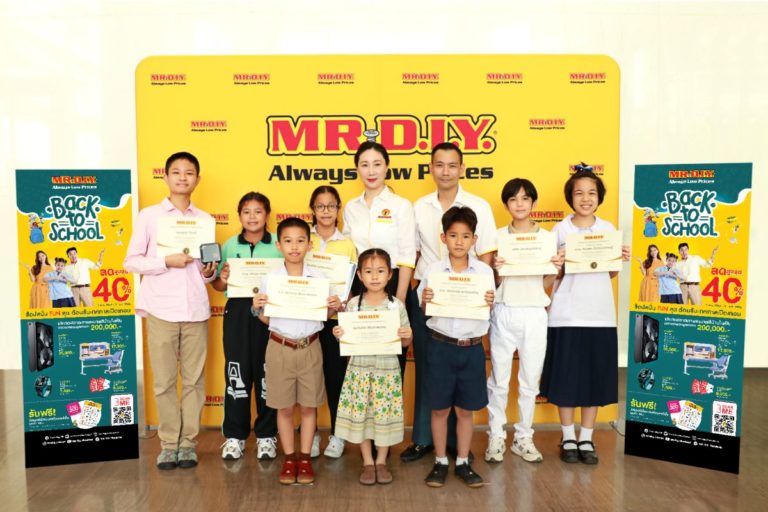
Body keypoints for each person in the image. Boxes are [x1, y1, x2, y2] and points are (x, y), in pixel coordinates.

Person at [123, 151, 217, 470]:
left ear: (197, 179)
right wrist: (166, 261)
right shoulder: (149, 216)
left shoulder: (205, 220)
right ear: (165, 177)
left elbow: (207, 273)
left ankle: (188, 443)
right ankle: (168, 444)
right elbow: (131, 262)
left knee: (194, 382)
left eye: (189, 173)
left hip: (195, 310)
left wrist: (209, 272)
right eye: (176, 172)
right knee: (163, 382)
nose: (182, 177)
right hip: (161, 309)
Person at [403, 142, 497, 463]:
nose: (445, 171)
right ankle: (422, 439)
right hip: (430, 297)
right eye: (439, 165)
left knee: (460, 373)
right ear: (431, 168)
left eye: (452, 165)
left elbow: (486, 255)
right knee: (430, 369)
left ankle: (458, 446)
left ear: (461, 168)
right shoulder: (418, 206)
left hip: (468, 298)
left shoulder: (478, 205)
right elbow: (412, 253)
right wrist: (418, 293)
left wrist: (481, 291)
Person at [539, 168, 629, 465]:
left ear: (599, 197)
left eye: (592, 193)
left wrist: (617, 258)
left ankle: (586, 437)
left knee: (593, 378)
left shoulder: (607, 228)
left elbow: (609, 273)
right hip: (565, 315)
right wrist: (558, 264)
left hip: (600, 315)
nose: (586, 198)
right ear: (570, 197)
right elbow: (550, 276)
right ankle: (567, 435)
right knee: (566, 378)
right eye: (579, 193)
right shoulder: (559, 230)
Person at [252, 217, 342, 485]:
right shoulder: (270, 279)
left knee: (309, 407)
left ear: (309, 245)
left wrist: (334, 307)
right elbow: (266, 318)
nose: (294, 246)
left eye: (300, 241)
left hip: (310, 346)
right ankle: (289, 459)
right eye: (288, 241)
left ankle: (305, 459)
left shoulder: (319, 279)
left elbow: (325, 315)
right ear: (278, 245)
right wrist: (256, 308)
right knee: (284, 408)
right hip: (279, 347)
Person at [485, 178, 563, 464]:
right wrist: (496, 269)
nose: (519, 204)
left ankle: (523, 437)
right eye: (513, 199)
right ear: (506, 204)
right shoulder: (497, 237)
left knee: (530, 380)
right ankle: (496, 436)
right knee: (499, 380)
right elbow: (492, 283)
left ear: (533, 203)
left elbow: (546, 283)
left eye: (525, 198)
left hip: (534, 312)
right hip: (504, 310)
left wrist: (555, 269)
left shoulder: (546, 238)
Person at [418, 207, 494, 488]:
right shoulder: (433, 271)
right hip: (441, 347)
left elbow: (488, 310)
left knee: (465, 410)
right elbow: (424, 309)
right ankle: (440, 461)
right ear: (443, 238)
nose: (459, 241)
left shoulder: (484, 272)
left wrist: (489, 302)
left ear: (474, 239)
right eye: (453, 235)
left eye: (465, 236)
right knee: (439, 409)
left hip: (471, 349)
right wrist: (426, 299)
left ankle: (462, 461)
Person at [332, 248, 412, 485]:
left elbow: (405, 342)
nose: (374, 276)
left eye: (380, 271)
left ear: (390, 275)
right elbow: (346, 342)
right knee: (362, 416)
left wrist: (407, 335)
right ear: (359, 276)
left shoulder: (396, 305)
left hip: (387, 371)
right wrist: (339, 334)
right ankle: (367, 461)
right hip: (359, 370)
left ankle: (381, 461)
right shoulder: (353, 305)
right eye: (368, 271)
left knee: (383, 416)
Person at [213, 192, 281, 461]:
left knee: (268, 374)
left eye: (258, 211)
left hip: (270, 312)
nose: (252, 217)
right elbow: (218, 285)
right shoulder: (230, 245)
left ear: (267, 215)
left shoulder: (278, 244)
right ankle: (235, 436)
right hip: (238, 312)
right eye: (246, 212)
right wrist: (223, 277)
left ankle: (267, 435)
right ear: (239, 215)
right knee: (237, 374)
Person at [342, 141, 416, 376]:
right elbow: (347, 254)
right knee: (359, 351)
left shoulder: (401, 205)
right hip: (360, 285)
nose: (371, 171)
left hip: (393, 283)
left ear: (386, 167)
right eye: (364, 165)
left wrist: (399, 300)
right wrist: (347, 295)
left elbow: (407, 254)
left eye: (377, 164)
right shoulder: (351, 207)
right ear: (357, 169)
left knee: (392, 352)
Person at [309, 185, 357, 458]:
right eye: (320, 206)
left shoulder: (347, 244)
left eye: (331, 206)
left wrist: (342, 302)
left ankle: (338, 435)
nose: (325, 211)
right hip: (306, 320)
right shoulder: (305, 239)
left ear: (338, 209)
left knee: (336, 378)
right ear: (313, 209)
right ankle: (311, 433)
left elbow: (350, 285)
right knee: (309, 379)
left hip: (335, 320)